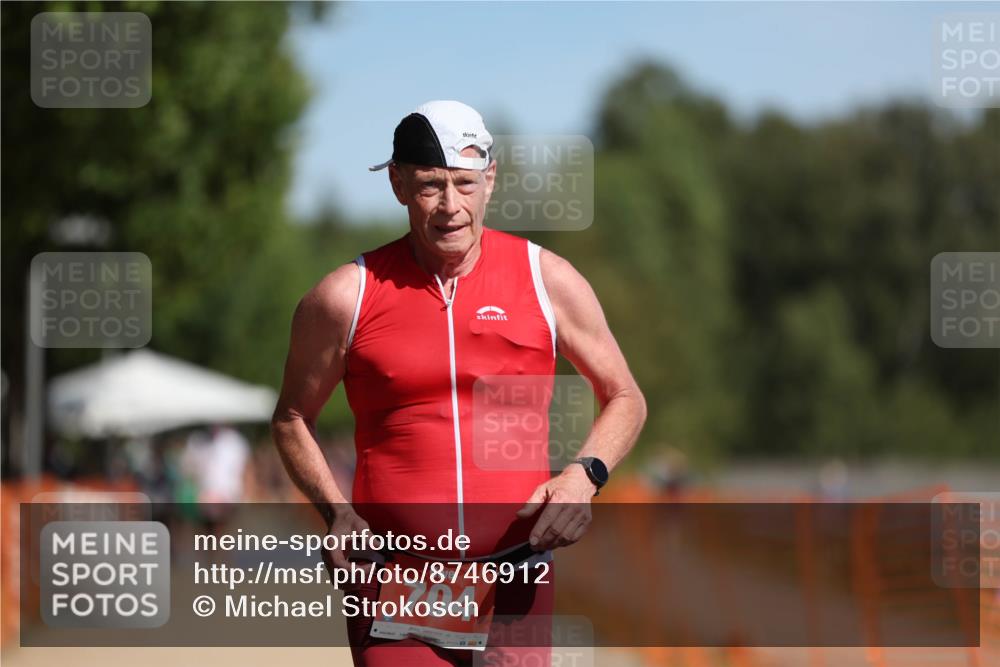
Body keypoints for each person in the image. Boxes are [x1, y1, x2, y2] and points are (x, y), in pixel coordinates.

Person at [272, 100, 646, 666]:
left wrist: (583, 477)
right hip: (396, 576)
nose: (451, 206)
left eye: (466, 184)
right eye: (429, 185)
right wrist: (335, 511)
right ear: (398, 184)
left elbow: (625, 396)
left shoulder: (546, 279)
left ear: (490, 181)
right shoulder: (345, 296)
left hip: (517, 574)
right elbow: (292, 417)